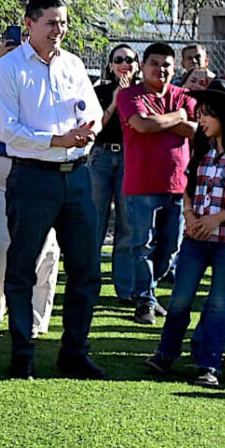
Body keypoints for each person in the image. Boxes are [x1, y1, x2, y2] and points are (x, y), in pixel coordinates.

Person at [0, 0, 105, 380]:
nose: (60, 30)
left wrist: (87, 131)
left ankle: (75, 352)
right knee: (22, 268)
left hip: (77, 176)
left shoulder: (73, 64)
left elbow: (93, 113)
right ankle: (22, 353)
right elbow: (8, 131)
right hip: (33, 176)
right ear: (30, 24)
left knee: (86, 269)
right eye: (52, 23)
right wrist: (58, 140)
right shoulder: (9, 69)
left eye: (64, 23)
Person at [144, 79, 225, 388]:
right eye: (201, 112)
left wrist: (216, 220)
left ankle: (209, 364)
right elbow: (188, 188)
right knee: (181, 298)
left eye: (207, 113)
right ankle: (165, 354)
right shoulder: (202, 151)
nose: (200, 119)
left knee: (220, 303)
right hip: (196, 240)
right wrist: (189, 214)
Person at [0, 40, 61, 339]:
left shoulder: (52, 77)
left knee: (45, 247)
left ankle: (37, 318)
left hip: (37, 167)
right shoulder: (2, 74)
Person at [116, 42, 197, 324]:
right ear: (143, 66)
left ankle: (149, 291)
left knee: (170, 248)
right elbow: (142, 125)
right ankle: (145, 301)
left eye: (166, 65)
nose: (160, 69)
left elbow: (195, 129)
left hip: (179, 185)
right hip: (141, 185)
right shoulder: (129, 95)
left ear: (175, 69)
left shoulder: (184, 94)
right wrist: (177, 117)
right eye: (154, 63)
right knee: (142, 246)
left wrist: (158, 120)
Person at [89, 43, 139, 305]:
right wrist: (117, 96)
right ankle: (90, 284)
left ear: (137, 65)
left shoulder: (143, 94)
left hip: (131, 159)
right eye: (118, 59)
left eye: (129, 60)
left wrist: (130, 96)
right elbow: (97, 126)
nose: (124, 64)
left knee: (127, 225)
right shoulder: (100, 91)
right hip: (101, 156)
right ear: (110, 65)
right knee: (95, 222)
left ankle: (125, 289)